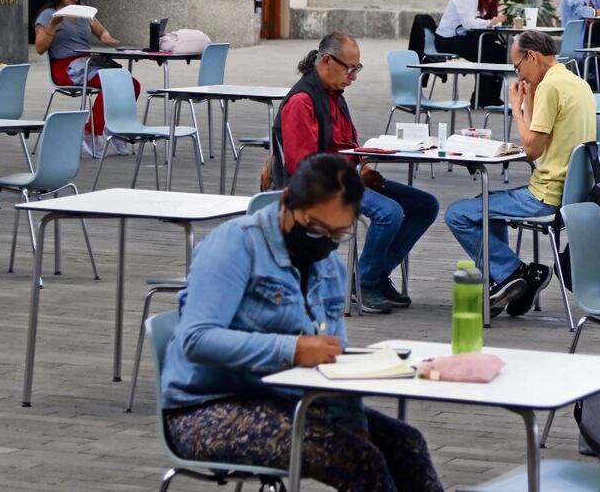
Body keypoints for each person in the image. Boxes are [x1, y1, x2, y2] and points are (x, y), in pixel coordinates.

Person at [161, 154, 444, 492]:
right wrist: (291, 349)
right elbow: (196, 338)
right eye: (315, 227)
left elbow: (333, 363)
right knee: (357, 460)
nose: (325, 240)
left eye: (338, 233)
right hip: (205, 407)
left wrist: (354, 424)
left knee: (407, 445)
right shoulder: (236, 243)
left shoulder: (329, 267)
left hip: (287, 401)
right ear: (287, 202)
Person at [271, 32, 440, 314]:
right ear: (326, 61)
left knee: (425, 205)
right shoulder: (303, 101)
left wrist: (364, 166)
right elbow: (303, 167)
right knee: (389, 212)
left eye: (357, 69)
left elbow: (346, 144)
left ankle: (376, 273)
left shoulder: (334, 94)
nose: (353, 77)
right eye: (349, 69)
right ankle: (364, 282)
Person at [446, 30, 596, 316]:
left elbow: (531, 150)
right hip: (571, 192)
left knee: (458, 214)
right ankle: (503, 280)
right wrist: (529, 96)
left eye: (518, 67)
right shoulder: (576, 83)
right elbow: (540, 133)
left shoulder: (551, 87)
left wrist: (515, 107)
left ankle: (515, 273)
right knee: (485, 207)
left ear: (532, 57)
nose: (519, 74)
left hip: (546, 194)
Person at [34, 0, 136, 158]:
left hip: (88, 62)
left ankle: (116, 128)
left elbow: (101, 31)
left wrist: (106, 37)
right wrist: (53, 25)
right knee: (110, 84)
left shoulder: (83, 12)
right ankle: (91, 131)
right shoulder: (49, 14)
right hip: (65, 68)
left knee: (131, 84)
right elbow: (40, 48)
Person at [435, 0, 508, 107]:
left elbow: (483, 21)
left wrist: (495, 21)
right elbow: (469, 24)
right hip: (446, 40)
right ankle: (482, 98)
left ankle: (492, 97)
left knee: (500, 52)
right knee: (488, 53)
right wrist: (490, 22)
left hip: (462, 37)